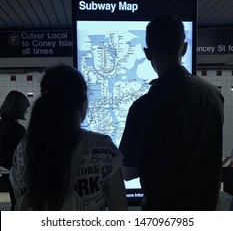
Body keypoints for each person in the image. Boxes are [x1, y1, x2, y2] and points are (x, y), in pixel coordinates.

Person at [119, 14, 224, 211]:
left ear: (148, 53)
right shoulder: (214, 96)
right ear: (184, 48)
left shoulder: (144, 106)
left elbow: (127, 172)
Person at [10, 65, 127, 211]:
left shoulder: (22, 150)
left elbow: (21, 200)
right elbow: (120, 211)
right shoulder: (103, 148)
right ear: (82, 101)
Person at [0, 90, 30, 210]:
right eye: (25, 108)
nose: (26, 111)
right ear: (18, 108)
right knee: (20, 205)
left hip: (4, 174)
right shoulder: (18, 130)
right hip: (15, 175)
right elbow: (23, 155)